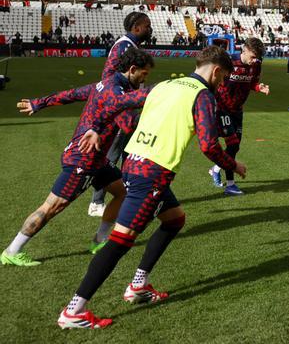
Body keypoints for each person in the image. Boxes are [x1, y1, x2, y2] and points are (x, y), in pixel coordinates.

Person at [58, 46, 246, 329]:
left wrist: (95, 126)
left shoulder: (165, 85)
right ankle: (74, 310)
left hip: (134, 163)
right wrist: (233, 164)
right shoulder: (203, 95)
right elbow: (208, 145)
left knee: (175, 219)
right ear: (217, 71)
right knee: (120, 242)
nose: (221, 85)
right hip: (152, 173)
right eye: (223, 78)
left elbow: (114, 103)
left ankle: (138, 285)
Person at [1, 49, 154, 267]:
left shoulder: (107, 84)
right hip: (84, 159)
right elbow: (129, 124)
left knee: (123, 192)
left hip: (97, 159)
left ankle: (99, 240)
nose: (144, 78)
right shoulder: (116, 93)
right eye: (144, 74)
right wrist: (150, 103)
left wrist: (40, 103)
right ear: (132, 70)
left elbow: (72, 94)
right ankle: (12, 250)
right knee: (51, 207)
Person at [89, 11, 154, 218]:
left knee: (129, 151)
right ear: (136, 27)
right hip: (122, 107)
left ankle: (129, 196)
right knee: (113, 153)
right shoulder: (124, 46)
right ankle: (97, 202)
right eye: (146, 25)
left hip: (128, 105)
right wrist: (122, 103)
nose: (149, 29)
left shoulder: (131, 46)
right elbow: (109, 76)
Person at [208, 37, 270, 195]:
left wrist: (259, 87)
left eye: (257, 57)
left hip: (238, 110)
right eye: (253, 56)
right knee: (233, 144)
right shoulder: (228, 62)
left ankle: (215, 169)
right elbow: (212, 80)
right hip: (222, 108)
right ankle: (230, 185)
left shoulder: (256, 65)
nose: (255, 60)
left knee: (234, 147)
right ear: (245, 50)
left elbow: (252, 83)